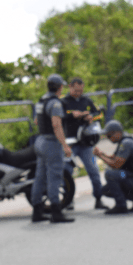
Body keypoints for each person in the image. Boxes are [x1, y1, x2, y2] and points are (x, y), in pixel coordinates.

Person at [31, 74, 74, 223]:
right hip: (51, 143)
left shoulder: (42, 100)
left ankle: (37, 211)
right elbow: (56, 125)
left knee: (40, 177)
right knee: (55, 177)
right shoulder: (55, 103)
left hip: (40, 140)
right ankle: (56, 212)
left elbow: (37, 121)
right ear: (60, 87)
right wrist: (65, 145)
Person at [61, 77, 107, 210]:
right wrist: (72, 115)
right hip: (70, 142)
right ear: (70, 87)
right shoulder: (63, 102)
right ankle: (68, 200)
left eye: (81, 90)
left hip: (86, 142)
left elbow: (99, 114)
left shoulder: (86, 100)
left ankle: (98, 198)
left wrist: (91, 116)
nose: (79, 93)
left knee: (93, 170)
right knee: (67, 171)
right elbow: (59, 117)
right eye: (76, 90)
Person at [93, 120, 133, 215]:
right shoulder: (124, 141)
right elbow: (115, 158)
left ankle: (121, 205)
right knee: (105, 190)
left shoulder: (126, 143)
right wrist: (102, 154)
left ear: (118, 133)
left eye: (109, 135)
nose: (108, 138)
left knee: (110, 174)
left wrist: (100, 157)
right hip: (132, 175)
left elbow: (116, 165)